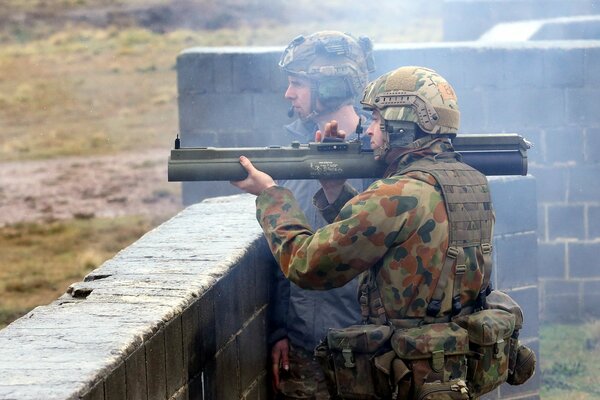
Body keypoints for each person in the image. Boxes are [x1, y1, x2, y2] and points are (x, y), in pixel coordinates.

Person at [233, 66, 501, 398]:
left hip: (401, 376)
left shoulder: (396, 194)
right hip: (449, 374)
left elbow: (306, 265)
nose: (370, 131)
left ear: (401, 127)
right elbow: (399, 243)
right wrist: (334, 189)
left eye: (376, 120)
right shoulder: (470, 183)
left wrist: (270, 195)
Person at [269, 31, 376, 399]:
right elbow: (286, 253)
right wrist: (279, 331)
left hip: (369, 352)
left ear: (330, 87)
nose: (289, 94)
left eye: (297, 83)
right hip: (305, 350)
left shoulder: (382, 159)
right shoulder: (293, 158)